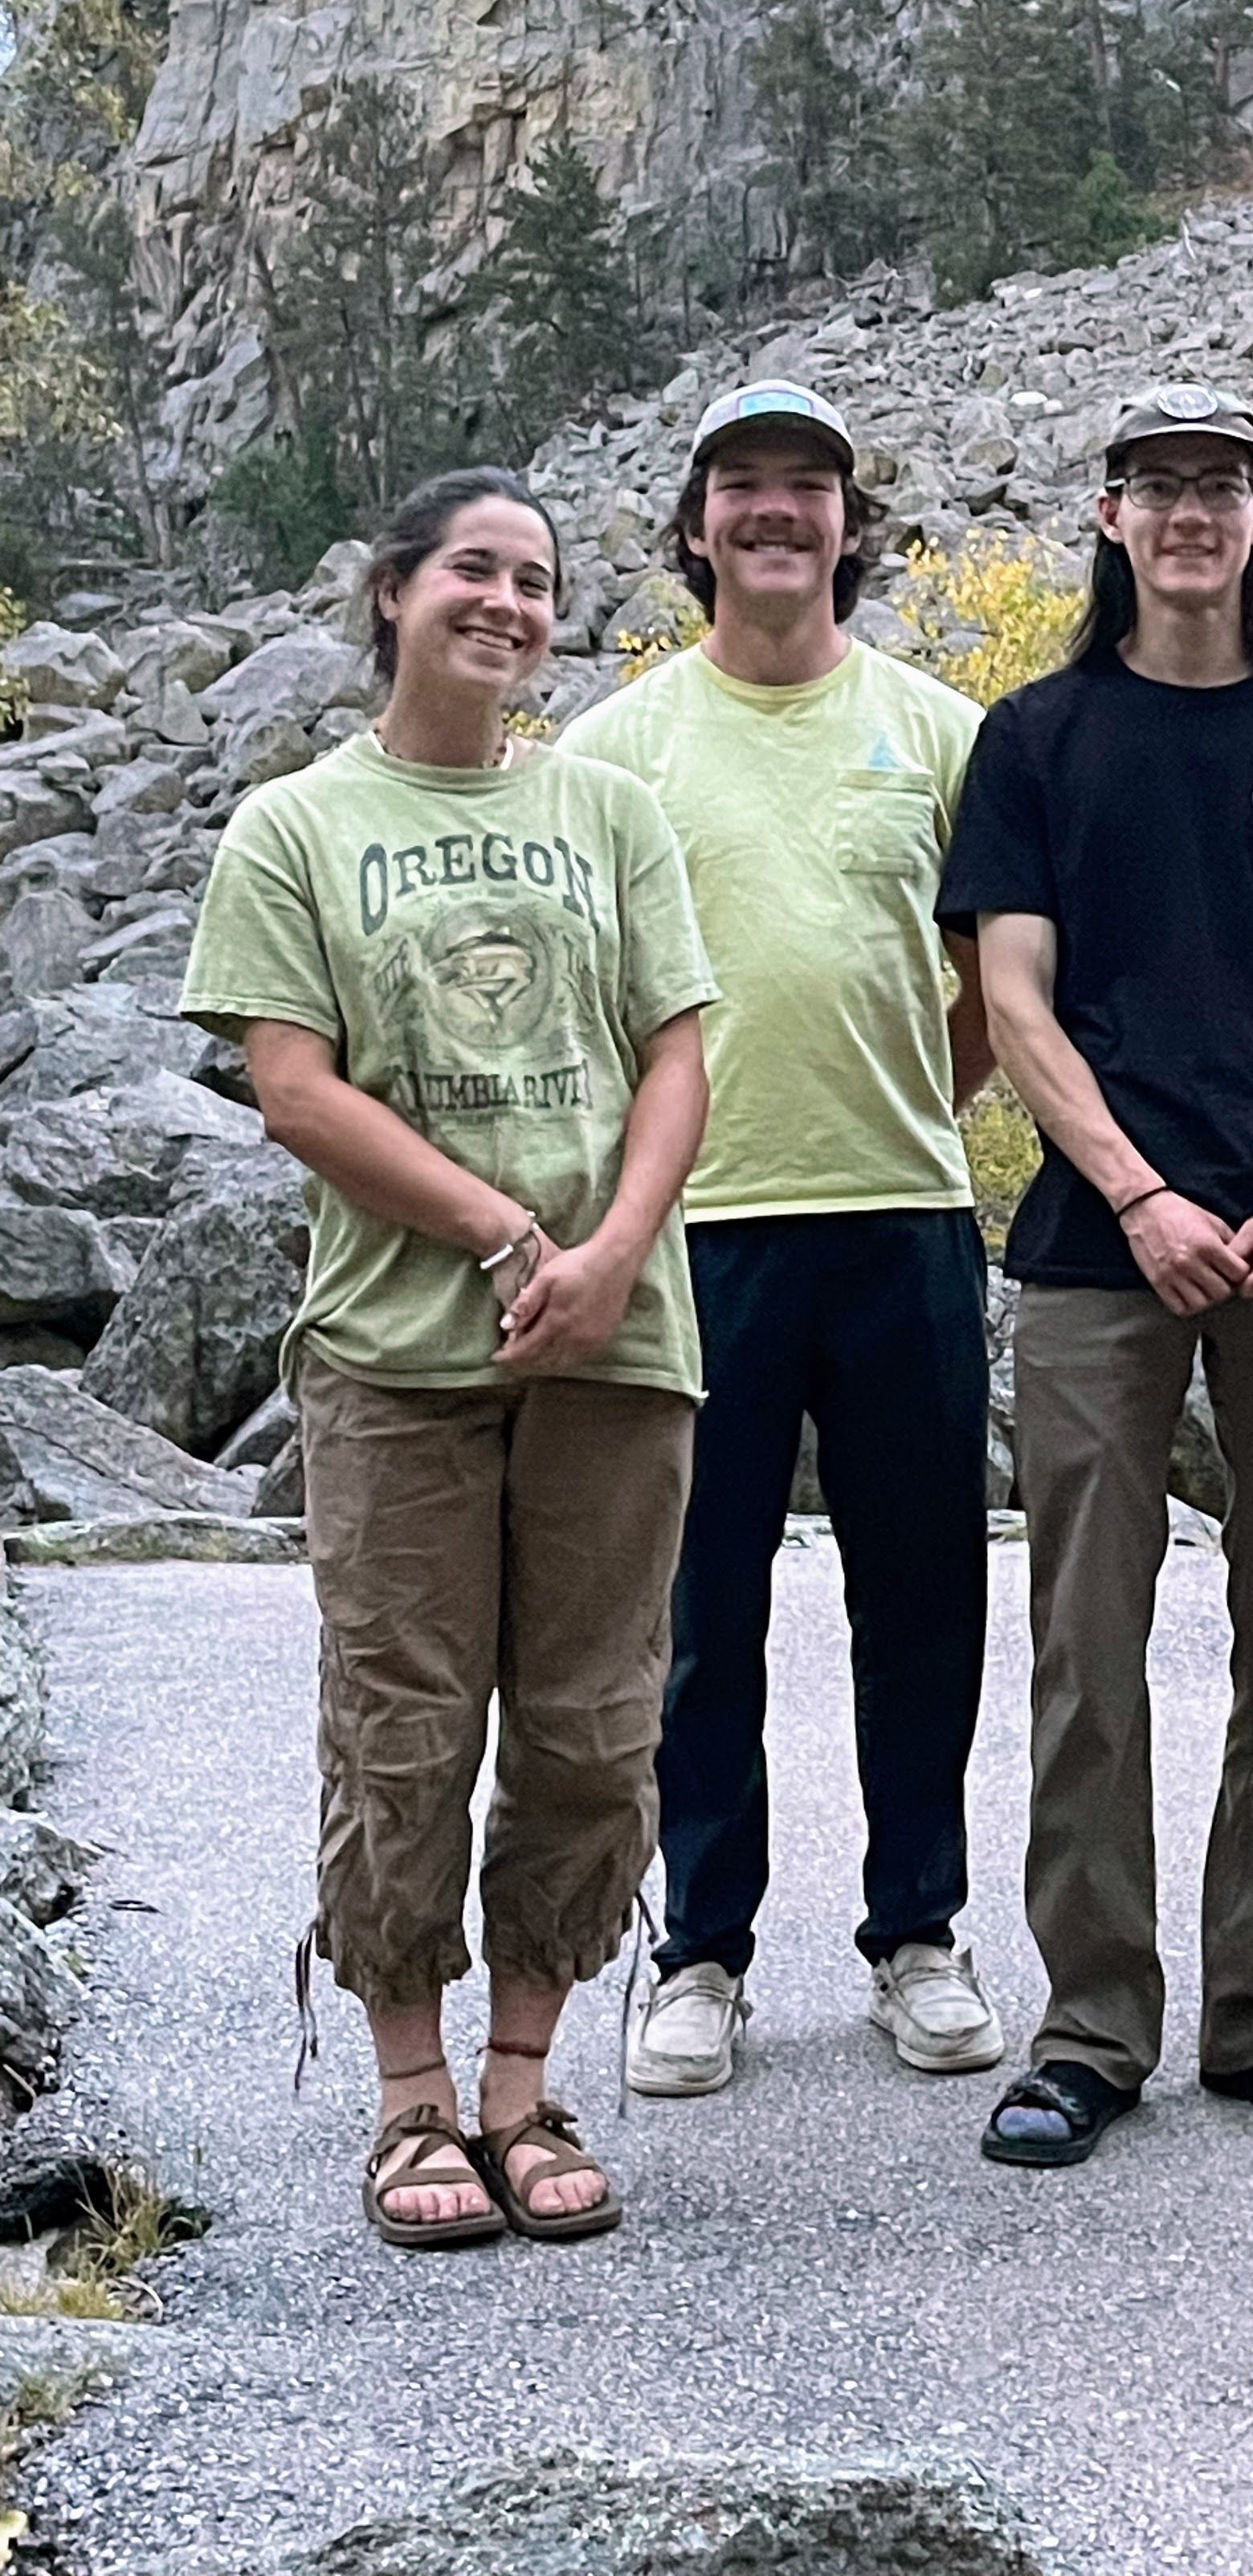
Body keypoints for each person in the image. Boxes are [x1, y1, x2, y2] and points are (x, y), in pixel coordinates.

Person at [182, 468, 717, 2248]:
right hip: (397, 1346)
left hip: (618, 1336)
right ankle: (410, 2097)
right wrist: (504, 1235)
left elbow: (676, 1053)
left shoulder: (609, 809)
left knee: (592, 1719)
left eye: (537, 582)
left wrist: (612, 1253)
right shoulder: (297, 827)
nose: (508, 604)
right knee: (402, 1723)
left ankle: (524, 2082)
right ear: (394, 592)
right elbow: (293, 1086)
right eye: (474, 572)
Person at [935, 383, 1253, 2169]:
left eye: (1221, 486)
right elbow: (1014, 999)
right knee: (1086, 1652)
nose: (1190, 515)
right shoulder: (1038, 737)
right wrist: (1144, 1194)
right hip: (1102, 1252)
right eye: (1158, 486)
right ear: (1110, 514)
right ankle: (1091, 2028)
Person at [559, 379, 1002, 2096]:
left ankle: (919, 1934)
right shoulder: (615, 752)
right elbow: (584, 1001)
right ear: (695, 528)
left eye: (807, 485)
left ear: (846, 525)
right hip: (697, 1231)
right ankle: (699, 1951)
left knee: (925, 1596)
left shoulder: (939, 731)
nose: (774, 510)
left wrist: (918, 1094)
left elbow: (1003, 980)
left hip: (903, 1216)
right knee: (698, 1609)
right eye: (740, 483)